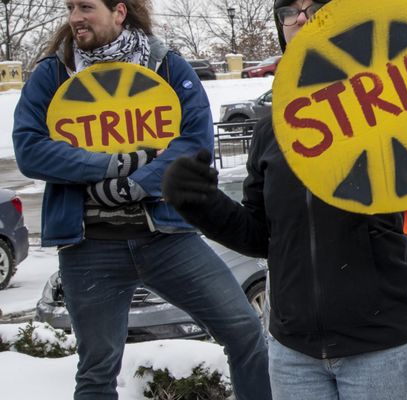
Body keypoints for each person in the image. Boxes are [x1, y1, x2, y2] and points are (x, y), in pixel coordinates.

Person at [160, 0, 407, 398]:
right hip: (293, 352)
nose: (301, 17)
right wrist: (204, 205)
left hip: (378, 346)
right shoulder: (271, 132)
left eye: (316, 4)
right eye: (287, 10)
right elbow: (262, 236)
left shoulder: (388, 109)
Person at [10, 0, 270, 399]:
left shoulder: (165, 65)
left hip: (167, 238)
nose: (75, 17)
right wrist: (110, 165)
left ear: (119, 12)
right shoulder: (53, 73)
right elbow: (30, 149)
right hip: (88, 246)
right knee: (96, 369)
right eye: (69, 8)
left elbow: (193, 140)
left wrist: (140, 183)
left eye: (85, 6)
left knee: (246, 333)